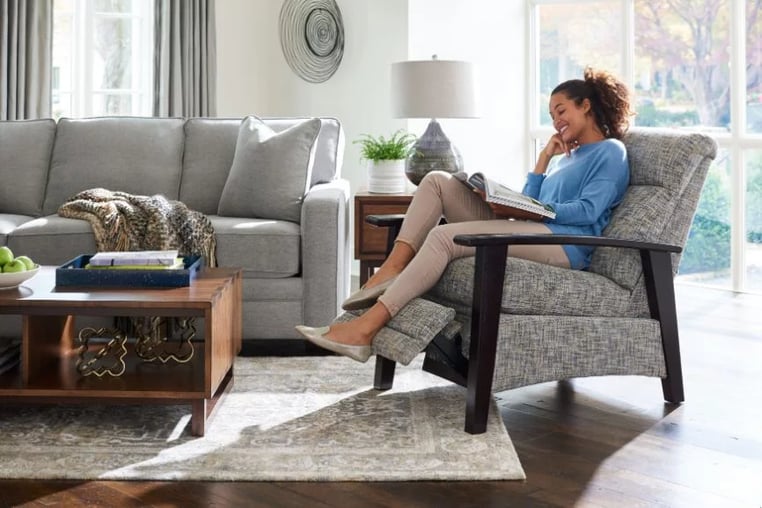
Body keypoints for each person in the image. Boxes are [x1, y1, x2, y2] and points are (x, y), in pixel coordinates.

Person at [296, 67, 635, 362]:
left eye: (561, 111)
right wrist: (543, 160)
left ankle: (364, 331)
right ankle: (393, 268)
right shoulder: (565, 157)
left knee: (444, 236)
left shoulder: (610, 152)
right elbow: (533, 203)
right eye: (551, 116)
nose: (556, 122)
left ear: (586, 105)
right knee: (437, 181)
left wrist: (535, 210)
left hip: (566, 245)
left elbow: (588, 211)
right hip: (534, 229)